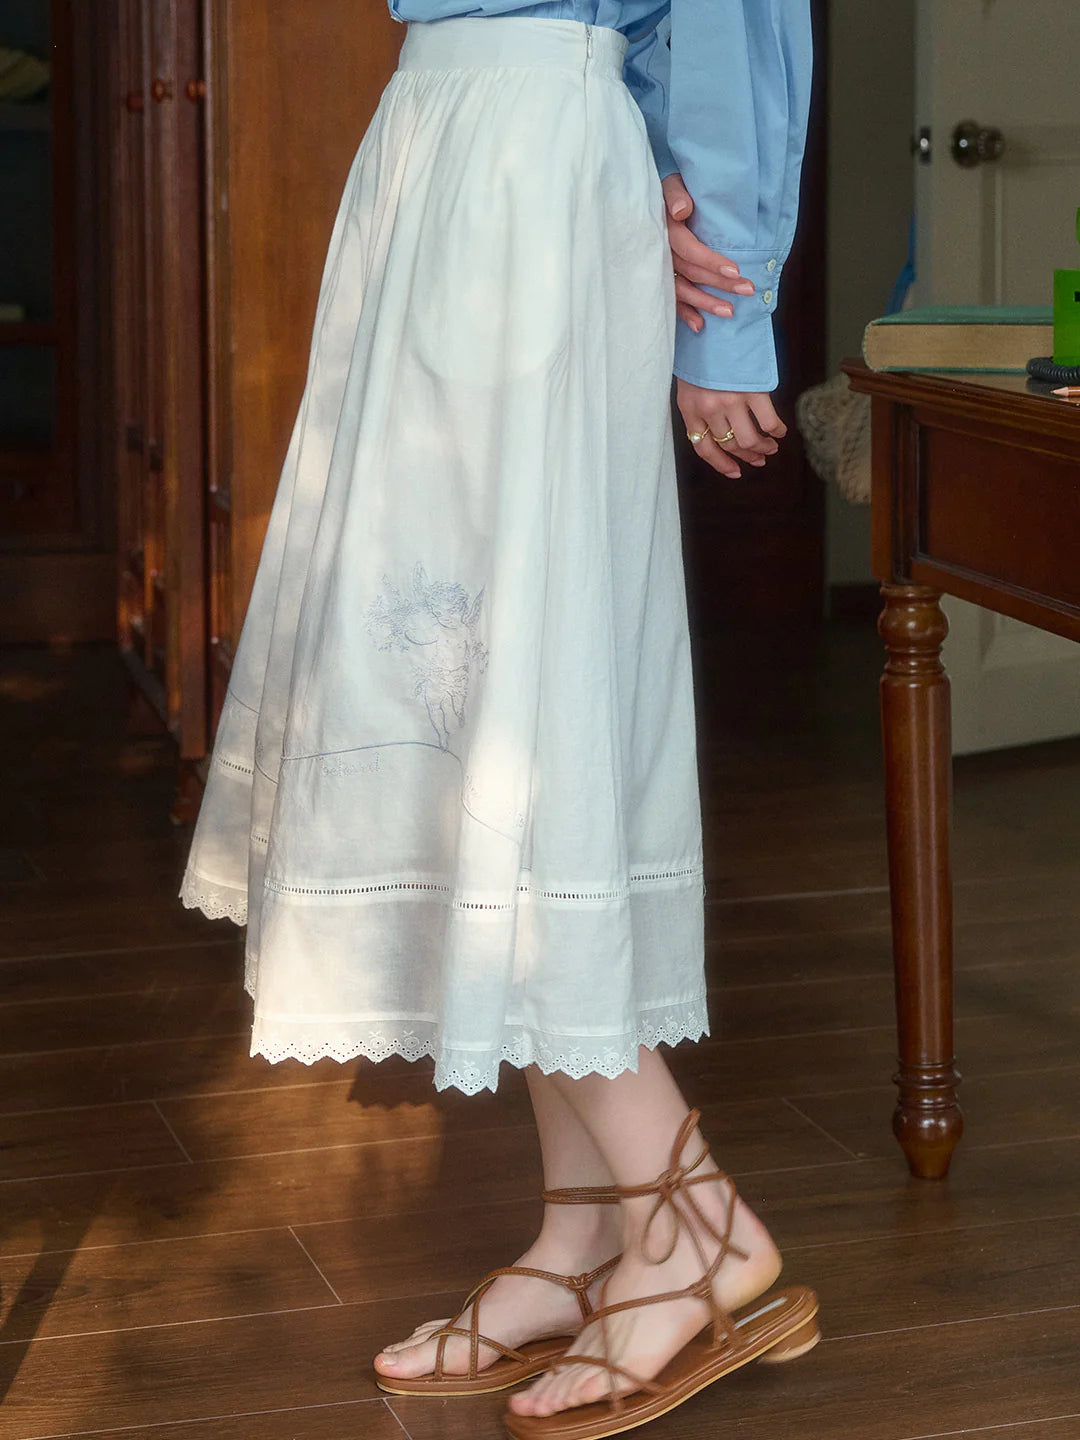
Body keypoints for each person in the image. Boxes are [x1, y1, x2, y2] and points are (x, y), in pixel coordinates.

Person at [180, 2, 817, 1434]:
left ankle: (692, 1223)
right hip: (438, 157)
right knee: (472, 700)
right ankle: (585, 1232)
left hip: (533, 170)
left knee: (517, 711)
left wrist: (731, 310)